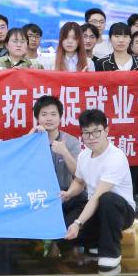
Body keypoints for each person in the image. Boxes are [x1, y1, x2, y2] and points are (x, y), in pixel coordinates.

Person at [64, 109, 136, 272]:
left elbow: (98, 195)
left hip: (119, 211)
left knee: (107, 199)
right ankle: (95, 242)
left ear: (106, 131)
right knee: (65, 233)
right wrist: (68, 194)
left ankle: (111, 252)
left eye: (96, 132)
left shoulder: (116, 157)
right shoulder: (83, 156)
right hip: (94, 208)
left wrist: (78, 223)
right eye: (86, 133)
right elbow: (79, 181)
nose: (92, 137)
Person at [32, 96, 84, 229]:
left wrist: (65, 153)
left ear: (60, 117)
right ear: (37, 118)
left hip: (66, 195)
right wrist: (31, 140)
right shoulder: (31, 141)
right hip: (39, 196)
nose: (49, 118)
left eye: (53, 114)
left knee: (82, 198)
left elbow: (78, 174)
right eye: (44, 114)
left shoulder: (71, 141)